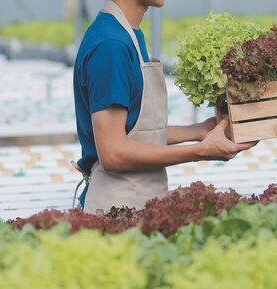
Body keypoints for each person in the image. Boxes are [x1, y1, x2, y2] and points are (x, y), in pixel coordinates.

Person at [72, 0, 256, 213]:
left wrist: (198, 131)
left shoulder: (125, 34)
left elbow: (133, 132)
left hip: (135, 202)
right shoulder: (111, 45)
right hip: (117, 211)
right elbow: (113, 153)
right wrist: (199, 151)